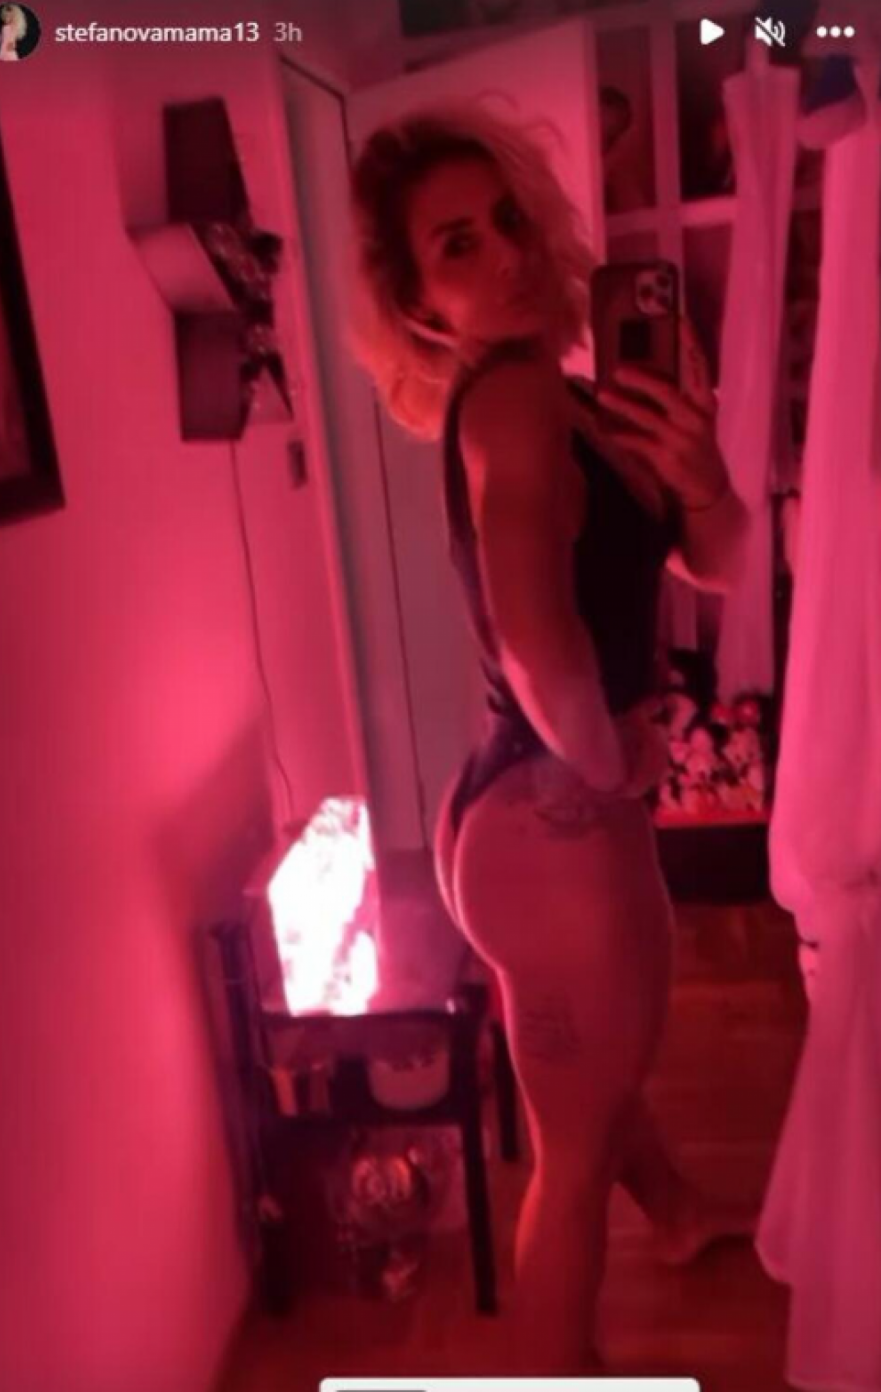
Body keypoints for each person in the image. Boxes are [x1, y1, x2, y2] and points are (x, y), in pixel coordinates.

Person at [348, 104, 753, 1374]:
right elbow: (532, 633)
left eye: (510, 220)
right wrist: (606, 761)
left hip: (508, 811)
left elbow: (721, 565)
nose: (510, 254)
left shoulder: (570, 399)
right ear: (420, 307)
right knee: (568, 1163)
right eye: (458, 245)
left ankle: (678, 1213)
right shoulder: (518, 403)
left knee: (587, 1089)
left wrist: (701, 476)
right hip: (556, 818)